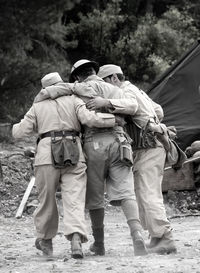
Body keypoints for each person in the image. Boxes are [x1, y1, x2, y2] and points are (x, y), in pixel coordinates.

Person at [34, 60, 148, 256]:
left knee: (94, 197)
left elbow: (58, 93)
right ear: (95, 71)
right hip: (120, 142)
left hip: (93, 144)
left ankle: (100, 244)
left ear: (78, 76)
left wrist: (44, 94)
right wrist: (109, 104)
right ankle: (137, 234)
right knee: (127, 192)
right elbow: (133, 106)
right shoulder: (114, 89)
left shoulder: (79, 89)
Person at [12, 72, 120, 259]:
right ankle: (76, 239)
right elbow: (89, 119)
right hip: (74, 151)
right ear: (62, 84)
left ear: (44, 89)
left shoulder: (37, 105)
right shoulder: (74, 99)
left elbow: (19, 133)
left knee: (46, 199)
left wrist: (16, 127)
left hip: (46, 153)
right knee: (74, 197)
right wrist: (114, 120)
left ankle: (46, 241)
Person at [96, 64, 177, 254]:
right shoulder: (136, 89)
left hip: (148, 147)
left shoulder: (124, 92)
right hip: (152, 146)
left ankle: (165, 237)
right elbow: (159, 111)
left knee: (148, 194)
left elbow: (131, 107)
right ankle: (158, 238)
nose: (105, 87)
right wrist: (147, 121)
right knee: (146, 193)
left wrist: (106, 103)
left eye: (105, 82)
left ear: (114, 79)